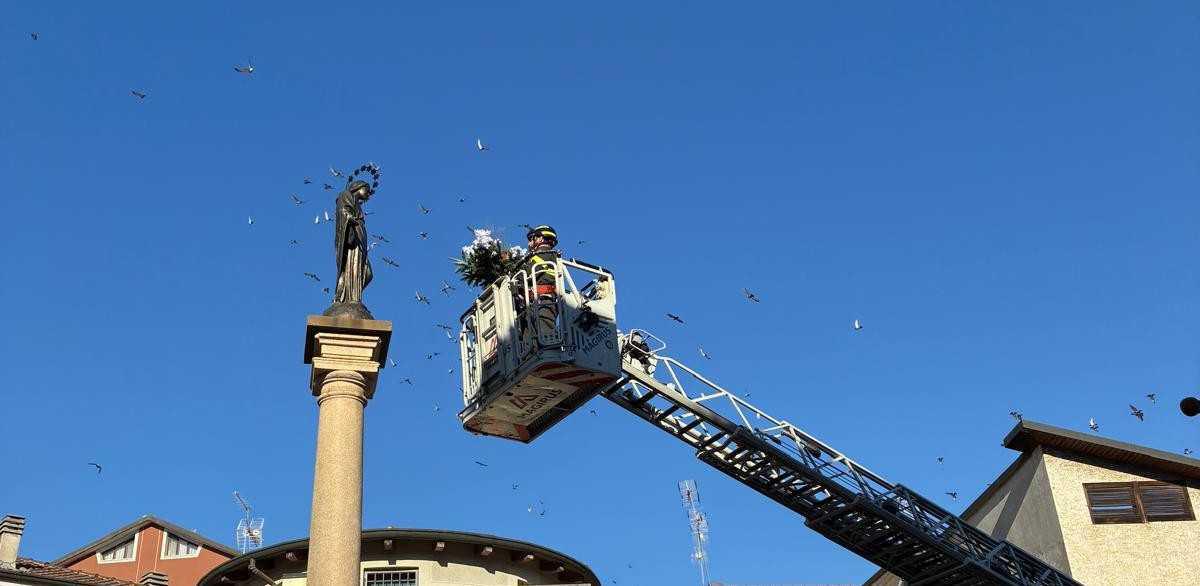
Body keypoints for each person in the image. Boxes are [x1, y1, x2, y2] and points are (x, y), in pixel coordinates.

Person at [525, 225, 560, 338]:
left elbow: (526, 274)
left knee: (546, 337)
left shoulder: (540, 257)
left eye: (531, 239)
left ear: (540, 239)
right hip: (541, 301)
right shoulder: (552, 256)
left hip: (544, 302)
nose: (529, 243)